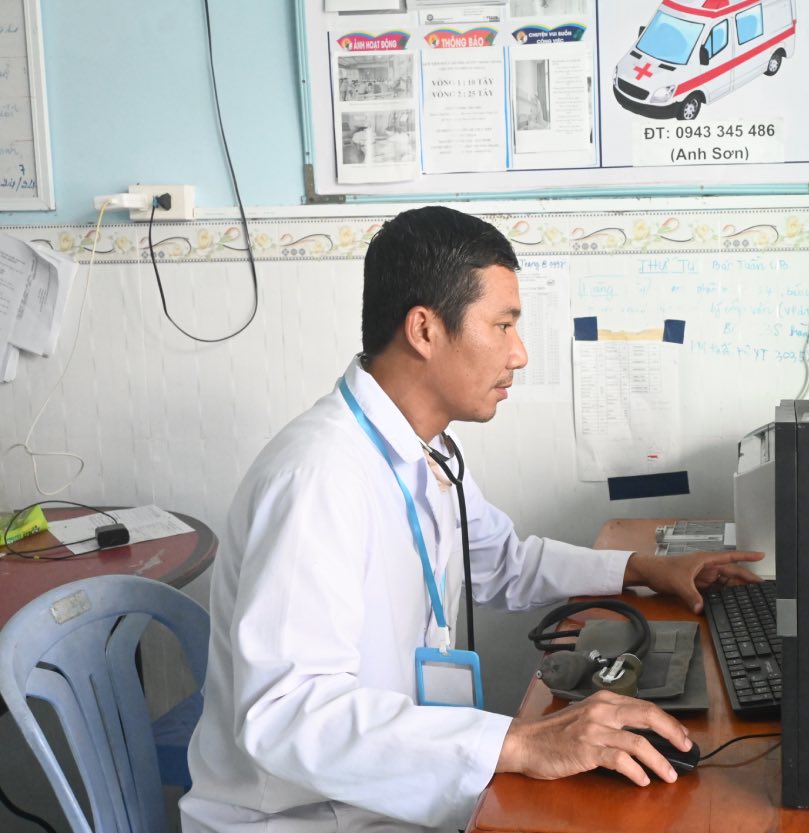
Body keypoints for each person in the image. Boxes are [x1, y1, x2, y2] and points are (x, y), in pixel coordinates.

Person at [179, 206, 762, 833]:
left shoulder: (425, 451)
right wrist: (516, 744)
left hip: (392, 792)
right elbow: (288, 714)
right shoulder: (318, 477)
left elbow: (502, 562)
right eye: (503, 325)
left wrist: (645, 567)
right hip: (313, 818)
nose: (520, 353)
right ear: (425, 330)